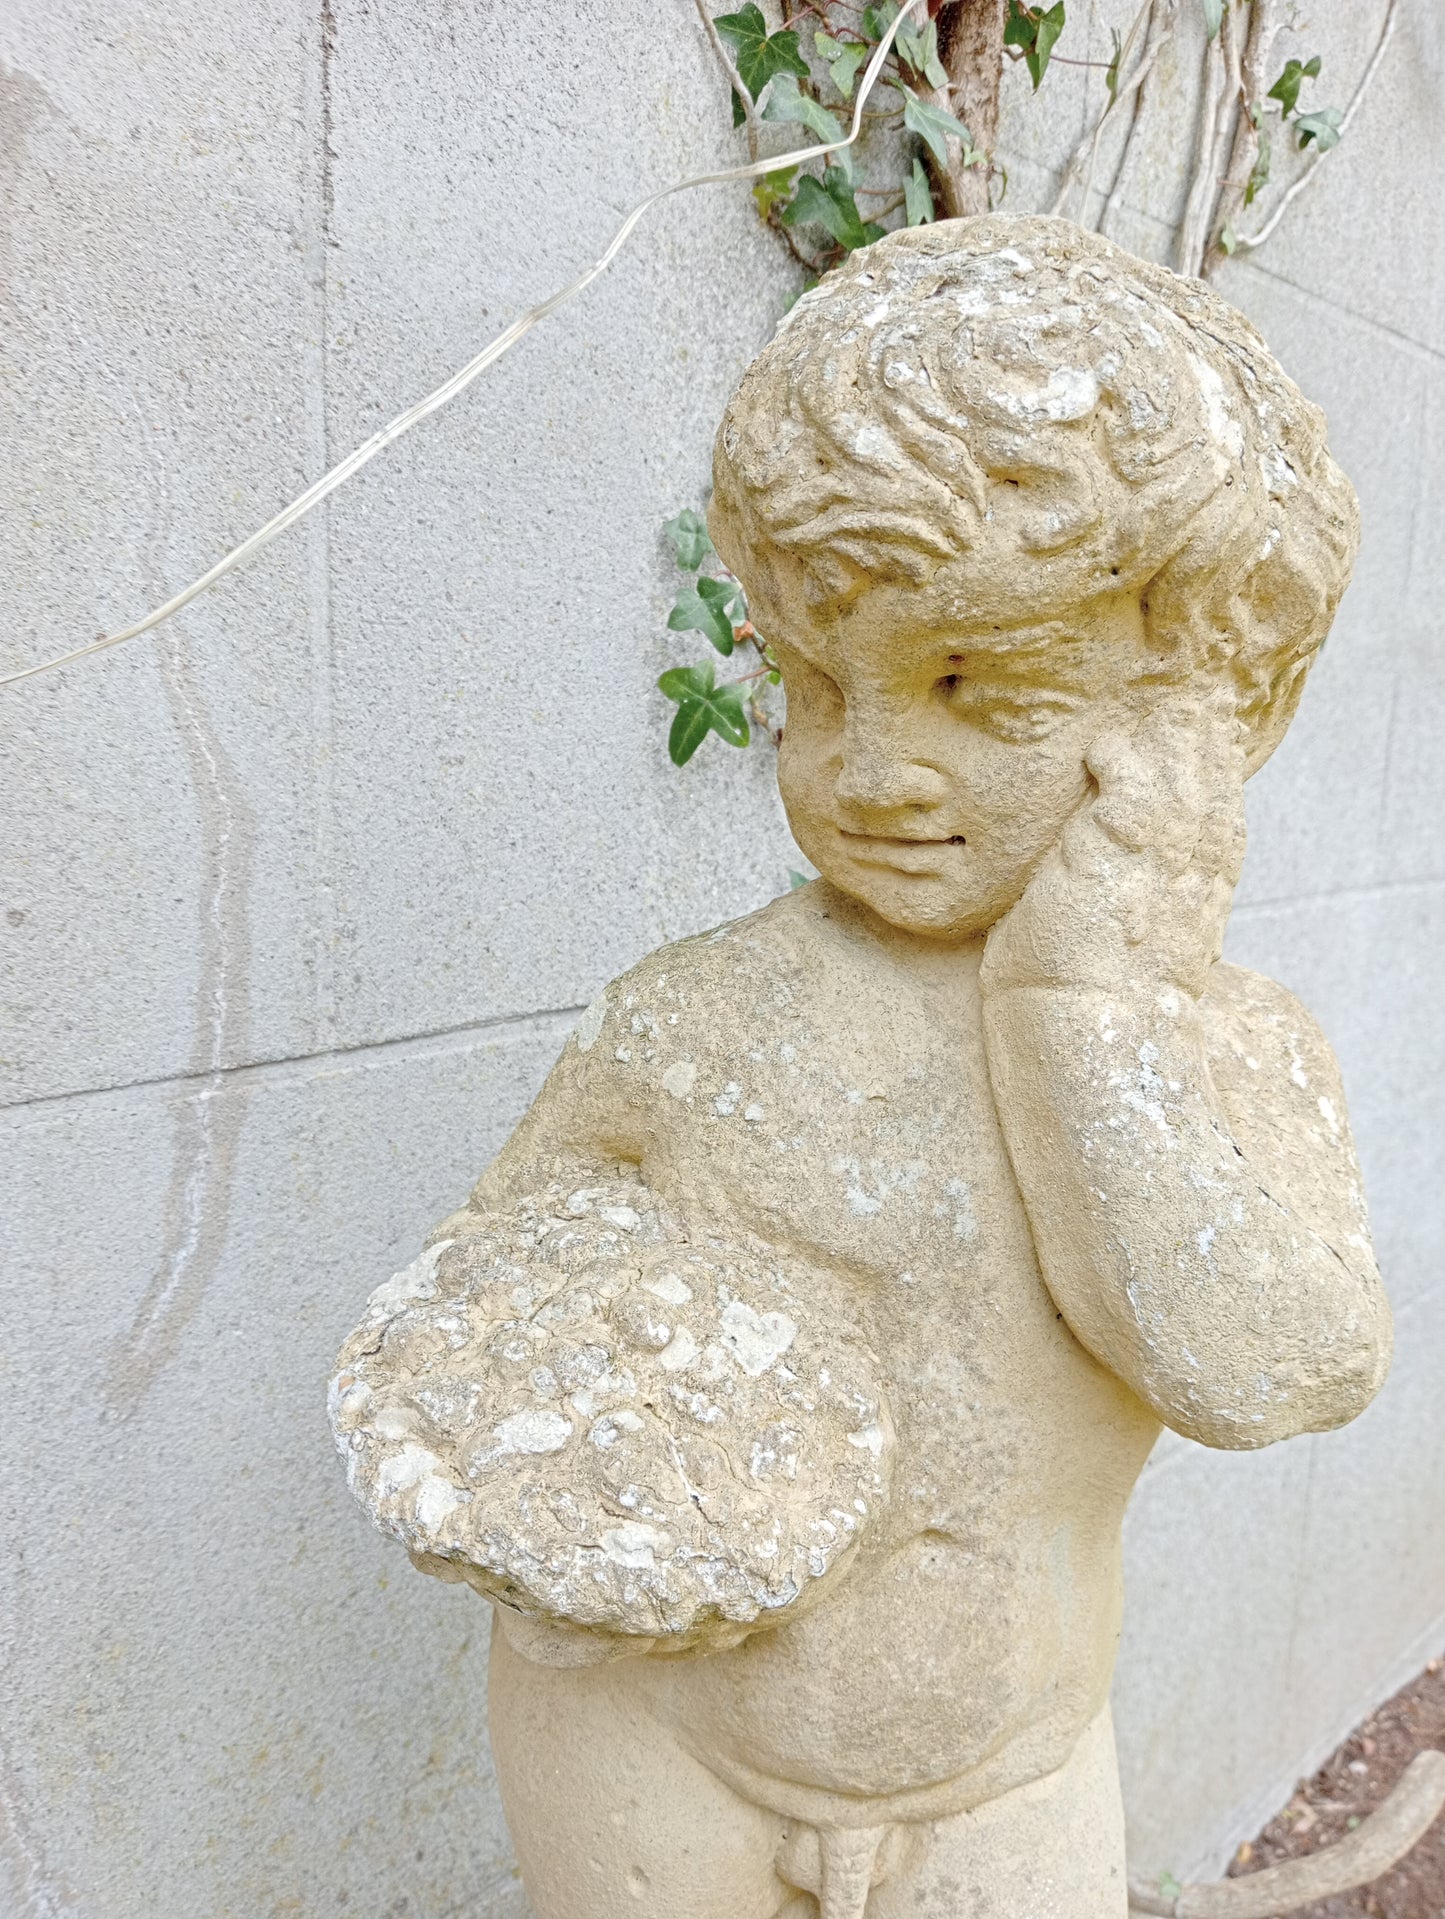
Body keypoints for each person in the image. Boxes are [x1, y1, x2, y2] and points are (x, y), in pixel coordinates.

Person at [331, 216, 1391, 1918]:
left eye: (983, 686)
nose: (874, 767)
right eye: (817, 685)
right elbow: (490, 1320)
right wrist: (575, 1486)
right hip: (649, 1740)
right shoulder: (694, 1023)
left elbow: (1267, 1369)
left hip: (1012, 1770)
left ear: (1204, 704)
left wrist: (1081, 1010)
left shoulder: (1218, 1050)